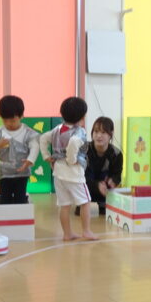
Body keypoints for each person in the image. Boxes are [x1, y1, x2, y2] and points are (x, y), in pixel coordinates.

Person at [40, 97, 97, 241]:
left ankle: (67, 233)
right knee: (85, 202)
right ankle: (86, 231)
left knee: (64, 205)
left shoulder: (57, 130)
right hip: (73, 173)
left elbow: (43, 138)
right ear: (82, 117)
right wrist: (71, 160)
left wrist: (46, 156)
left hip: (58, 172)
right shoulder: (80, 131)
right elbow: (73, 142)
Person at [0, 95, 39, 204]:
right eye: (5, 121)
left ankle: (19, 214)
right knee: (5, 199)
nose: (9, 124)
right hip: (4, 173)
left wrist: (30, 160)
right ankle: (6, 214)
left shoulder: (28, 133)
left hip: (22, 173)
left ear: (21, 116)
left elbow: (35, 146)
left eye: (13, 120)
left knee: (20, 198)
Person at [75, 117, 122, 216]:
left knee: (105, 213)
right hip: (85, 187)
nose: (99, 135)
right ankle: (81, 203)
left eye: (103, 132)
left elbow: (117, 175)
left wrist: (113, 181)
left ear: (111, 134)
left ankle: (103, 203)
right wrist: (97, 185)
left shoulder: (116, 154)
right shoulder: (84, 149)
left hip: (104, 189)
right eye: (96, 131)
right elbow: (78, 175)